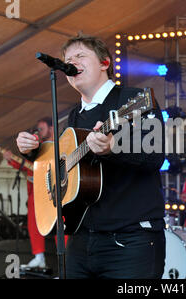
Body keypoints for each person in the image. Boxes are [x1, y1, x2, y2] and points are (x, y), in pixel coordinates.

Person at [15, 33, 166, 279]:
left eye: (80, 56)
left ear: (105, 63)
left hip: (131, 241)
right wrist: (33, 151)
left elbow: (154, 157)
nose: (72, 62)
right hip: (81, 240)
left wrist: (112, 148)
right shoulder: (74, 116)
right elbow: (62, 163)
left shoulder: (134, 100)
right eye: (68, 59)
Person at [3, 117, 54, 269]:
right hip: (36, 191)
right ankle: (39, 257)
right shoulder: (35, 146)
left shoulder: (58, 143)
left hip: (55, 190)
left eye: (42, 128)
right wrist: (11, 159)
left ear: (51, 128)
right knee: (32, 221)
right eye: (37, 128)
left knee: (62, 225)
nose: (38, 131)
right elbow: (28, 166)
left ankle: (66, 262)